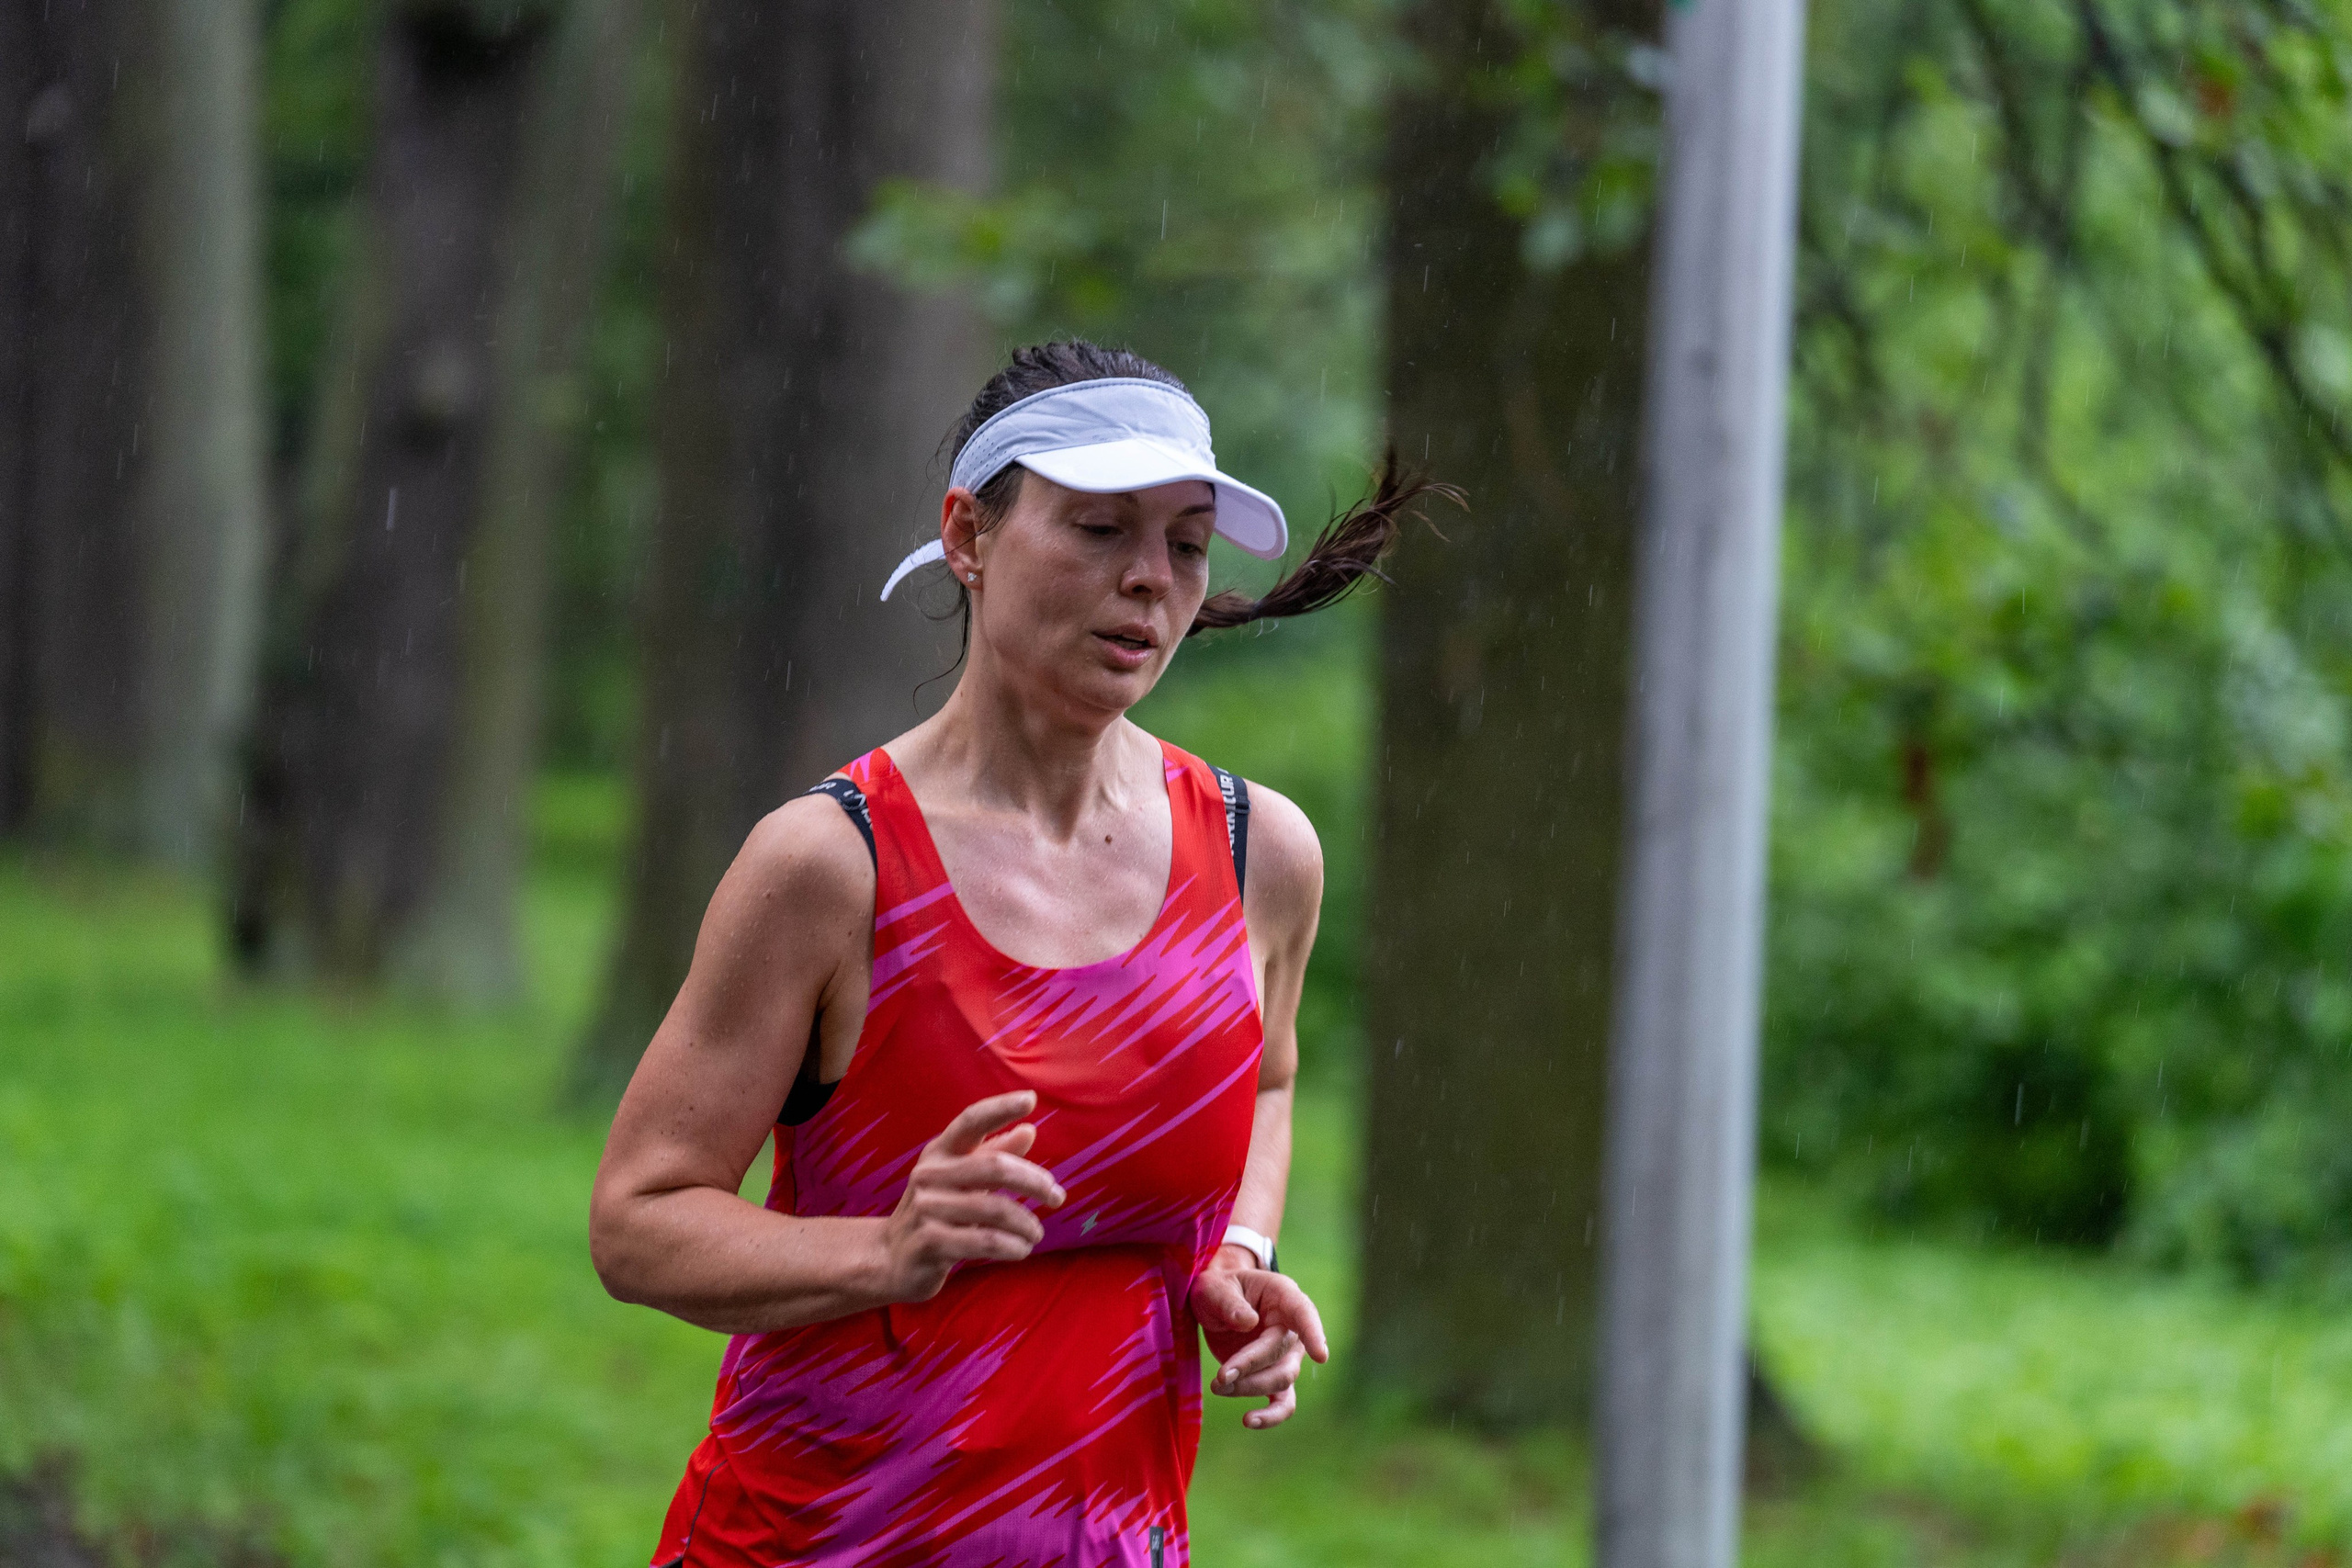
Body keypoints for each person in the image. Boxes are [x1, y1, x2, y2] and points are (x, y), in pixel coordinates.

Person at [590, 341, 1443, 1566]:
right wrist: (884, 1252)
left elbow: (1266, 1082)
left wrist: (1235, 1256)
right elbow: (638, 1221)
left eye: (1187, 544)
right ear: (968, 536)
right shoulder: (833, 866)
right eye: (1099, 529)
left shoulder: (1261, 854)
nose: (1149, 579)